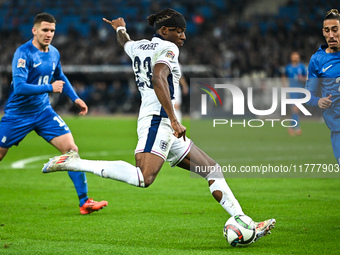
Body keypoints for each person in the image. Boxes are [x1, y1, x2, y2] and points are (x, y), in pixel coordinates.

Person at [42, 9, 275, 240]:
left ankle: (246, 223)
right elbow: (158, 77)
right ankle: (75, 163)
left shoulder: (139, 46)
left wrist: (120, 29)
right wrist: (174, 119)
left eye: (184, 32)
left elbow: (125, 42)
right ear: (164, 31)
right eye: (179, 31)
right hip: (158, 120)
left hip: (161, 121)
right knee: (144, 178)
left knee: (212, 169)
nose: (183, 36)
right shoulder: (168, 47)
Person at [0, 13, 108, 214]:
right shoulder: (23, 53)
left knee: (71, 151)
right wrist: (49, 88)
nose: (49, 34)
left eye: (52, 31)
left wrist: (75, 98)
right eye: (45, 30)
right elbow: (20, 87)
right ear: (34, 30)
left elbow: (61, 77)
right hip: (17, 115)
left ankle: (84, 202)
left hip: (43, 112)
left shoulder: (54, 53)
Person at [305, 9, 340, 165]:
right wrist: (318, 101)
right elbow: (308, 96)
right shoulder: (317, 60)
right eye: (327, 31)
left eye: (335, 30)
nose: (331, 35)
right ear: (323, 33)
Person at [282, 51, 307, 136]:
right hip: (292, 90)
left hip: (300, 90)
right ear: (291, 57)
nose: (295, 58)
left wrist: (302, 78)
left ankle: (291, 127)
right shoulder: (288, 67)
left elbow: (306, 77)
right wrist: (285, 86)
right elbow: (283, 76)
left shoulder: (302, 67)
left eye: (297, 56)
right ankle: (297, 128)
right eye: (294, 56)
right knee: (295, 108)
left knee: (296, 110)